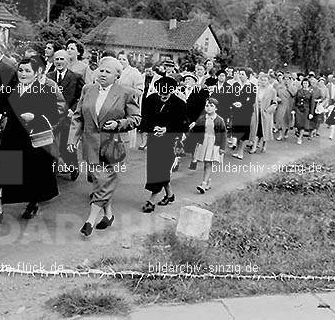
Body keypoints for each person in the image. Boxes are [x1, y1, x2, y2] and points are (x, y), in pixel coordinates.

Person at [68, 56, 141, 237]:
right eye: (101, 70)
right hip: (91, 144)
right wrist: (72, 139)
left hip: (114, 146)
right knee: (99, 181)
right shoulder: (88, 89)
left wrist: (119, 124)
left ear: (117, 76)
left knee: (104, 180)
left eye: (108, 71)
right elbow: (78, 117)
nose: (102, 74)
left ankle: (90, 221)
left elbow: (136, 119)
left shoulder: (126, 92)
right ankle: (108, 215)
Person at [0, 56, 60, 223]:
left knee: (33, 175)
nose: (23, 74)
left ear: (36, 73)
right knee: (4, 173)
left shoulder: (44, 91)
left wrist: (36, 117)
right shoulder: (12, 89)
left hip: (34, 140)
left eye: (28, 71)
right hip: (12, 136)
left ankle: (32, 203)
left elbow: (54, 115)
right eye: (21, 70)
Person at [139, 76, 189, 213]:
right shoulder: (150, 100)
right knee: (156, 168)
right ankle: (170, 195)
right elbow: (144, 120)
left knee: (161, 169)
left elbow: (183, 125)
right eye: (160, 93)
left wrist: (167, 129)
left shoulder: (180, 104)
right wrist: (153, 128)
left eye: (166, 94)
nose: (162, 96)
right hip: (154, 139)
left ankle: (151, 200)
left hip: (170, 141)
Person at [47, 50, 84, 180]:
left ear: (67, 61)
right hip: (52, 116)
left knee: (66, 144)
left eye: (62, 59)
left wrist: (73, 110)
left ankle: (73, 167)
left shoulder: (76, 77)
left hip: (68, 116)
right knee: (51, 144)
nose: (59, 62)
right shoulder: (48, 76)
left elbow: (81, 97)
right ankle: (53, 169)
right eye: (56, 59)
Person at [185, 98, 226, 194]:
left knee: (208, 163)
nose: (209, 108)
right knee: (205, 163)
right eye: (207, 105)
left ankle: (203, 184)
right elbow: (197, 130)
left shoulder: (220, 120)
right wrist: (193, 125)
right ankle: (208, 181)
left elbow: (223, 135)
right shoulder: (202, 118)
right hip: (204, 142)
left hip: (214, 143)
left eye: (211, 106)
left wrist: (222, 148)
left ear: (216, 108)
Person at [249, 73, 278, 153]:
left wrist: (268, 110)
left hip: (265, 113)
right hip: (256, 112)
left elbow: (274, 103)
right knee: (256, 129)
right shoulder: (256, 89)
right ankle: (254, 147)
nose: (263, 82)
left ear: (268, 81)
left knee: (264, 130)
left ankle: (264, 145)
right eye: (262, 80)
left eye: (265, 80)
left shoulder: (272, 91)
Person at [294, 78, 315, 145]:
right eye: (303, 83)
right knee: (298, 123)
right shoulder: (299, 91)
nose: (305, 85)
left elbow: (312, 103)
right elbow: (295, 100)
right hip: (298, 109)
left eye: (306, 83)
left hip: (306, 110)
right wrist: (293, 109)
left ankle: (300, 137)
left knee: (303, 125)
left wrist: (311, 113)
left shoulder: (311, 92)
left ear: (308, 84)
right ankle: (298, 132)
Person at [273, 74, 294, 141]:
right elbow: (274, 95)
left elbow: (294, 94)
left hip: (289, 105)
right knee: (279, 119)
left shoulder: (292, 87)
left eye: (288, 79)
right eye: (285, 79)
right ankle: (280, 134)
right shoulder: (279, 87)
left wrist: (289, 88)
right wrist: (277, 98)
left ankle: (286, 132)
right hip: (281, 105)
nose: (286, 80)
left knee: (287, 120)